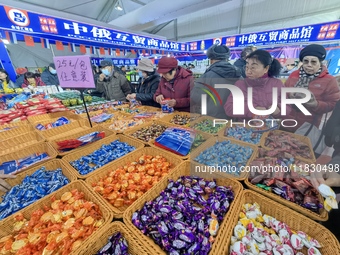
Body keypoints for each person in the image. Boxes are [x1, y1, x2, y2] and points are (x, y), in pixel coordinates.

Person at [283, 44, 340, 132]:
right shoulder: (294, 75)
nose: (309, 65)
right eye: (306, 61)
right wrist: (289, 96)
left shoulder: (329, 80)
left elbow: (333, 104)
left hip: (308, 127)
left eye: (313, 62)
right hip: (287, 122)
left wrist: (315, 104)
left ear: (320, 62)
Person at [225, 49, 290, 120]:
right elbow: (229, 108)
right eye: (247, 67)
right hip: (245, 128)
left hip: (270, 128)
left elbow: (288, 106)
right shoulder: (240, 84)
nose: (248, 72)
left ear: (266, 68)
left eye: (253, 68)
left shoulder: (277, 84)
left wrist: (279, 109)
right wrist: (253, 109)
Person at [190, 44, 242, 118]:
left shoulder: (207, 76)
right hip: (233, 119)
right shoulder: (239, 75)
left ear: (211, 60)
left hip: (212, 118)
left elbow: (197, 98)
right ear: (227, 59)